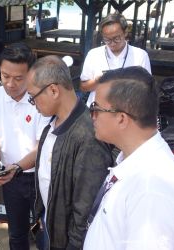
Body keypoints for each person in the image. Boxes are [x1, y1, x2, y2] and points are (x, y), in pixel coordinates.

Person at [84, 66, 174, 249]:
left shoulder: (152, 189)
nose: (92, 116)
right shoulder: (131, 160)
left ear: (121, 118)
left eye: (95, 108)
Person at [26, 55, 113, 250]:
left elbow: (85, 210)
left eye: (33, 96)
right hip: (50, 228)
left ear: (53, 90)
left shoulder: (89, 137)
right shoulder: (52, 123)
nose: (33, 102)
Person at [0, 42, 49, 250]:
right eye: (5, 76)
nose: (10, 83)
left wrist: (17, 167)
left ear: (31, 74)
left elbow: (42, 146)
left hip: (41, 175)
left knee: (45, 232)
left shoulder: (42, 99)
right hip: (11, 178)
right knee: (16, 233)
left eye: (18, 78)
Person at [80, 13, 151, 107]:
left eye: (116, 38)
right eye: (107, 39)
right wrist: (98, 81)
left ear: (125, 32)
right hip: (98, 111)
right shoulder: (94, 54)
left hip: (128, 111)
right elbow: (83, 87)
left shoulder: (140, 55)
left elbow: (148, 88)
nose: (112, 43)